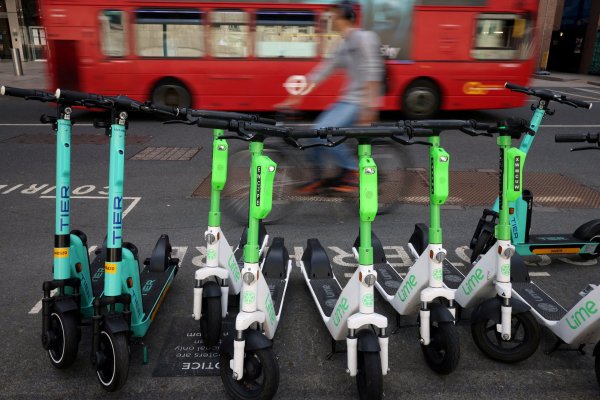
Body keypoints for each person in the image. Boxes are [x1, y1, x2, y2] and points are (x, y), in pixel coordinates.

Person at [275, 0, 384, 194]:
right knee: (313, 136)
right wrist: (296, 97)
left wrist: (370, 106)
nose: (331, 19)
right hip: (347, 100)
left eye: (333, 15)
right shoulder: (344, 44)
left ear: (343, 17)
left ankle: (354, 171)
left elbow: (373, 70)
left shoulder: (364, 38)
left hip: (359, 101)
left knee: (322, 132)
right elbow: (324, 70)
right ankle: (320, 178)